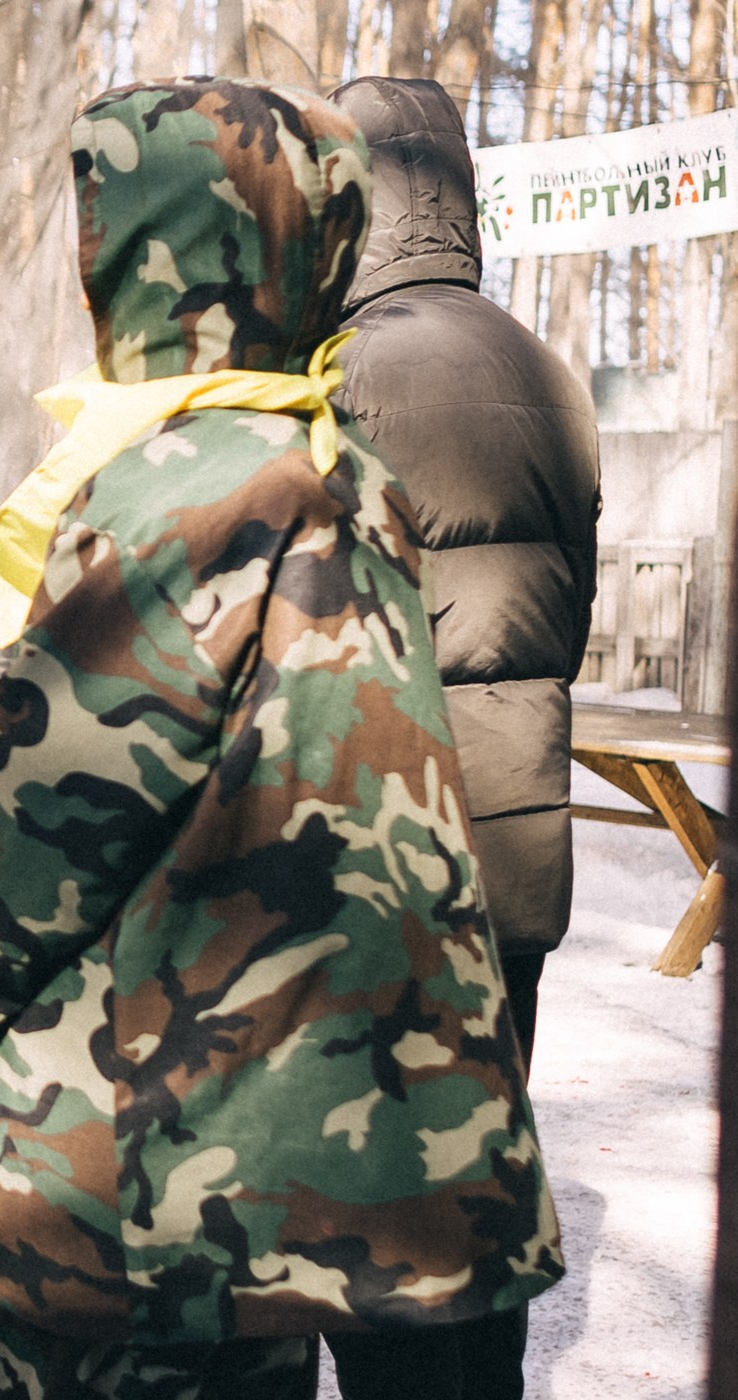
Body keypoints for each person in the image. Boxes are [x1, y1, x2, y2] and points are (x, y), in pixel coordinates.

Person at [0, 78, 563, 1399]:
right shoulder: (333, 465)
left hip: (156, 1121)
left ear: (145, 256)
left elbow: (49, 801)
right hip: (329, 1101)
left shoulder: (187, 481)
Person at [319, 75, 601, 1400]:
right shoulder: (538, 362)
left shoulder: (354, 366)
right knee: (480, 1178)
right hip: (515, 835)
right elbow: (564, 604)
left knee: (374, 1203)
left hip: (388, 852)